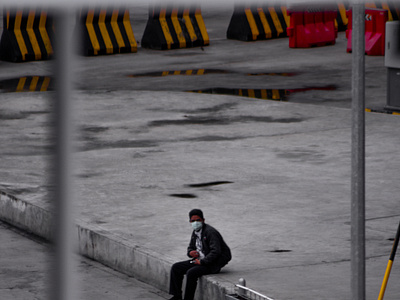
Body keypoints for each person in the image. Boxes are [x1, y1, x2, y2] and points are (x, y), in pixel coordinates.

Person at [169, 209, 232, 300]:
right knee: (176, 267)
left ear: (203, 220)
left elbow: (216, 252)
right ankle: (176, 296)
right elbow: (190, 247)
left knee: (191, 273)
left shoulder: (210, 232)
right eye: (193, 221)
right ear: (190, 221)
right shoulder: (195, 232)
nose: (195, 223)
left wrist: (202, 262)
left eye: (198, 220)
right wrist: (190, 253)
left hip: (212, 262)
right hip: (199, 260)